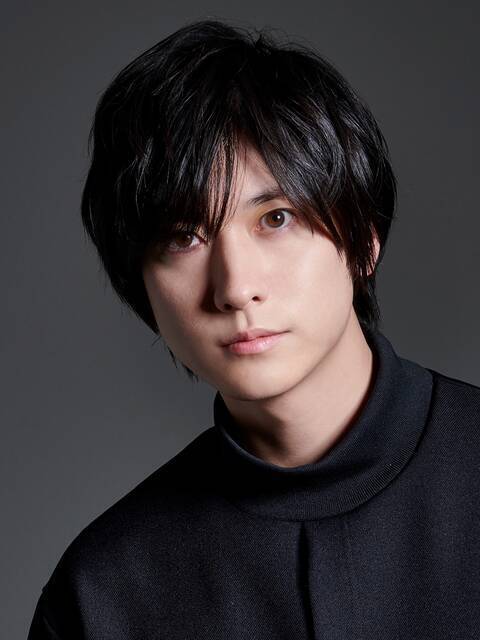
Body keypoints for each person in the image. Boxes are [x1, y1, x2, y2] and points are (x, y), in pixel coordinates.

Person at [27, 19, 480, 640]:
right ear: (143, 288)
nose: (236, 288)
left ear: (364, 240)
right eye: (184, 237)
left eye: (276, 218)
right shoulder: (103, 592)